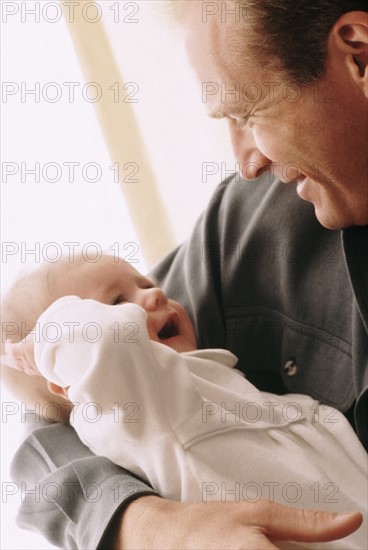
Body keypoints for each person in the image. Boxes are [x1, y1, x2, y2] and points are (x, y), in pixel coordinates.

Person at [2, 1, 367, 548]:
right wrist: (143, 525)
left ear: (358, 55)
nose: (246, 164)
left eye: (247, 113)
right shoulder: (246, 230)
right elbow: (47, 426)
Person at [3, 255, 366, 548]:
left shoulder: (203, 380)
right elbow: (104, 344)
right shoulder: (143, 407)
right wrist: (51, 338)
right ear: (69, 381)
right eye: (117, 302)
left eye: (145, 283)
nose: (157, 294)